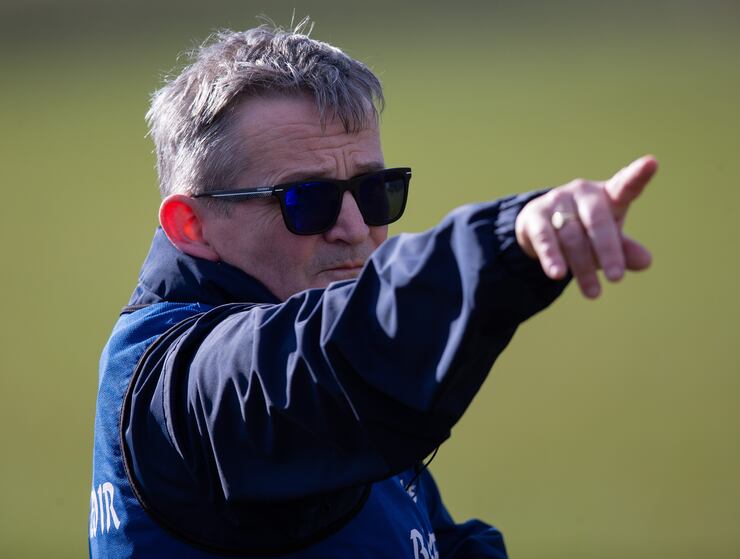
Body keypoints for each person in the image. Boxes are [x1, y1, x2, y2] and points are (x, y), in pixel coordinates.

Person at [88, 21, 657, 559]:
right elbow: (321, 355)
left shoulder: (335, 394)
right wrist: (503, 242)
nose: (356, 228)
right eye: (306, 200)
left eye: (374, 190)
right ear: (192, 225)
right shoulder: (181, 388)